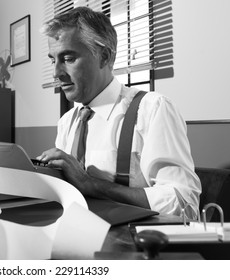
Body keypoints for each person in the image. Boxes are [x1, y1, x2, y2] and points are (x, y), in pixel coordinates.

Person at [37, 6, 201, 218]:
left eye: (68, 59)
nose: (56, 73)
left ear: (104, 56)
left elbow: (183, 204)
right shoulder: (67, 122)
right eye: (53, 60)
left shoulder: (152, 109)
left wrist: (90, 184)